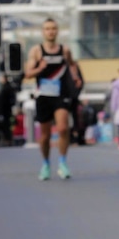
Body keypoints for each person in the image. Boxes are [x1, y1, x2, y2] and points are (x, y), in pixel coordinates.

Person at [24, 18, 81, 180]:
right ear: (43, 32)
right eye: (47, 29)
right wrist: (39, 68)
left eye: (54, 28)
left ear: (57, 31)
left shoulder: (64, 50)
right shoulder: (36, 51)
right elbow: (27, 73)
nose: (51, 31)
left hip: (61, 94)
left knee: (63, 128)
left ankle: (62, 163)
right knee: (45, 136)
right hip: (43, 96)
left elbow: (72, 64)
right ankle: (46, 163)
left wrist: (75, 77)